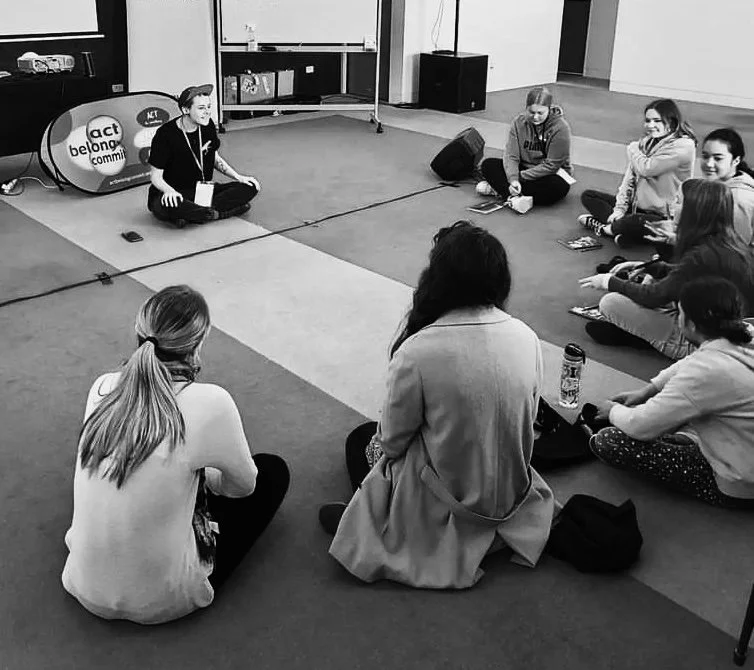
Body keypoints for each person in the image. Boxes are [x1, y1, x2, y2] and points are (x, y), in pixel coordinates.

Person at [319, 221, 557, 589]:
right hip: (511, 493)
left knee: (362, 442)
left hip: (449, 499)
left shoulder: (418, 350)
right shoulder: (526, 336)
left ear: (438, 280)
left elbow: (393, 443)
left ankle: (384, 527)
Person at [62, 285, 290, 624]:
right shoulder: (212, 403)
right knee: (272, 471)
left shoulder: (102, 386)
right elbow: (243, 487)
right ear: (197, 346)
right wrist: (205, 478)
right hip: (162, 601)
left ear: (139, 333)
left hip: (81, 582)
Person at [589, 277, 754, 509]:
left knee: (610, 441)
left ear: (692, 325)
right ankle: (686, 434)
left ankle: (691, 441)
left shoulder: (707, 371)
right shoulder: (746, 331)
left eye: (680, 314)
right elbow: (694, 360)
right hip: (743, 446)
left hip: (738, 483)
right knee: (682, 411)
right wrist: (648, 390)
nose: (678, 320)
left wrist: (614, 410)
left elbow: (640, 426)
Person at [578, 179, 754, 359]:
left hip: (704, 344)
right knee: (650, 283)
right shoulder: (729, 243)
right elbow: (690, 278)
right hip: (730, 332)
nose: (672, 205)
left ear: (693, 211)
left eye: (678, 201)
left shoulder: (702, 256)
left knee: (610, 303)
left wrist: (608, 281)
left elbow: (653, 296)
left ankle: (645, 339)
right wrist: (656, 268)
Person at [578, 99, 696, 247]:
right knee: (589, 196)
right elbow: (629, 178)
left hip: (664, 216)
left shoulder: (684, 146)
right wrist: (619, 210)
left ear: (671, 122)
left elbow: (646, 169)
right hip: (637, 208)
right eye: (648, 120)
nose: (650, 125)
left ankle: (606, 229)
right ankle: (622, 229)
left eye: (657, 121)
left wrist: (633, 148)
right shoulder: (646, 143)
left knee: (634, 221)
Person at [147, 84, 260, 228]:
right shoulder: (165, 134)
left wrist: (239, 177)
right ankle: (217, 212)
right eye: (201, 108)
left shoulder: (208, 125)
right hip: (173, 192)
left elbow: (215, 159)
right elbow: (155, 177)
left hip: (202, 190)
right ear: (185, 110)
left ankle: (196, 215)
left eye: (208, 107)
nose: (207, 112)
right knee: (168, 205)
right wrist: (169, 191)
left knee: (250, 187)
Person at [646, 128, 754, 248]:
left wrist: (678, 240)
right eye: (705, 156)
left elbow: (735, 249)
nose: (709, 164)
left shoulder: (738, 199)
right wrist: (675, 227)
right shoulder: (717, 186)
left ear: (736, 160)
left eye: (718, 158)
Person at [477, 86, 573, 208]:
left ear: (549, 109)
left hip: (549, 174)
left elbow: (552, 165)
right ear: (526, 108)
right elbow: (511, 155)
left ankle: (502, 191)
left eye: (540, 113)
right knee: (488, 165)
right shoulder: (518, 122)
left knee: (558, 187)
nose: (535, 117)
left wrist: (520, 177)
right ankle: (514, 197)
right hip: (523, 169)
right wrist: (513, 179)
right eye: (531, 112)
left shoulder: (561, 128)